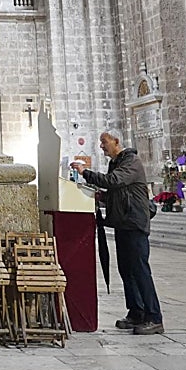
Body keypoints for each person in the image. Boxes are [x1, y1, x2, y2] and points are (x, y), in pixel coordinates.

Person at [72, 131, 164, 335]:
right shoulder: (116, 163)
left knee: (140, 271)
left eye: (104, 142)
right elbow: (118, 193)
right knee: (127, 271)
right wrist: (100, 197)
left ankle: (154, 317)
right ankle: (136, 312)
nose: (101, 146)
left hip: (135, 223)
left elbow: (114, 181)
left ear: (116, 141)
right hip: (123, 222)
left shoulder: (131, 161)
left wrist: (85, 172)